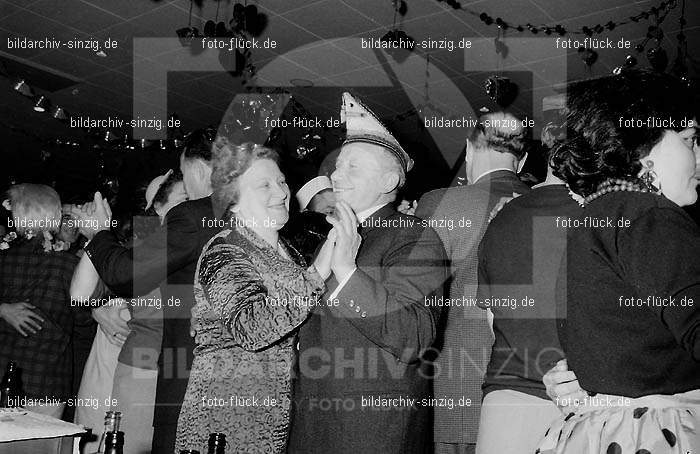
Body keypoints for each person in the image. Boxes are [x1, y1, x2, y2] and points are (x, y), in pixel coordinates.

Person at [538, 70, 699, 453]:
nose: (699, 155)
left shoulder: (595, 217)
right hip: (659, 432)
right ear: (641, 148)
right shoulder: (650, 215)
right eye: (690, 140)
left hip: (604, 432)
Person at [288, 92, 448, 454]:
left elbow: (415, 336)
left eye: (352, 167)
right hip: (314, 422)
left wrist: (347, 272)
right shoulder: (332, 237)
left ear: (389, 180)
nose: (335, 175)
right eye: (338, 166)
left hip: (372, 430)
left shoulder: (416, 236)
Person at [176, 141, 335, 453]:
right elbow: (250, 326)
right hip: (226, 413)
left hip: (276, 411)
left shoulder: (289, 253)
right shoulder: (225, 249)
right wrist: (316, 276)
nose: (281, 193)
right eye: (264, 185)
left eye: (281, 181)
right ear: (232, 200)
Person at [73, 130, 220, 453]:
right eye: (182, 201)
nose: (192, 206)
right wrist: (102, 305)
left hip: (184, 372)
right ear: (159, 209)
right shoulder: (144, 241)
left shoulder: (204, 232)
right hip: (141, 365)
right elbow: (86, 294)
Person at [415, 112, 531, 454]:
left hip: (458, 389)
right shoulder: (547, 205)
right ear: (521, 160)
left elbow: (415, 301)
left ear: (468, 149)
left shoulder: (441, 203)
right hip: (535, 392)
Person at [473, 96, 581, 454]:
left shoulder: (501, 217)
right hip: (580, 405)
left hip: (505, 403)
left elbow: (493, 321)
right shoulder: (603, 216)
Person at [0, 184, 84, 419]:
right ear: (55, 216)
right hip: (48, 379)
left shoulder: (4, 257)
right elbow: (85, 322)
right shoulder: (71, 265)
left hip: (4, 375)